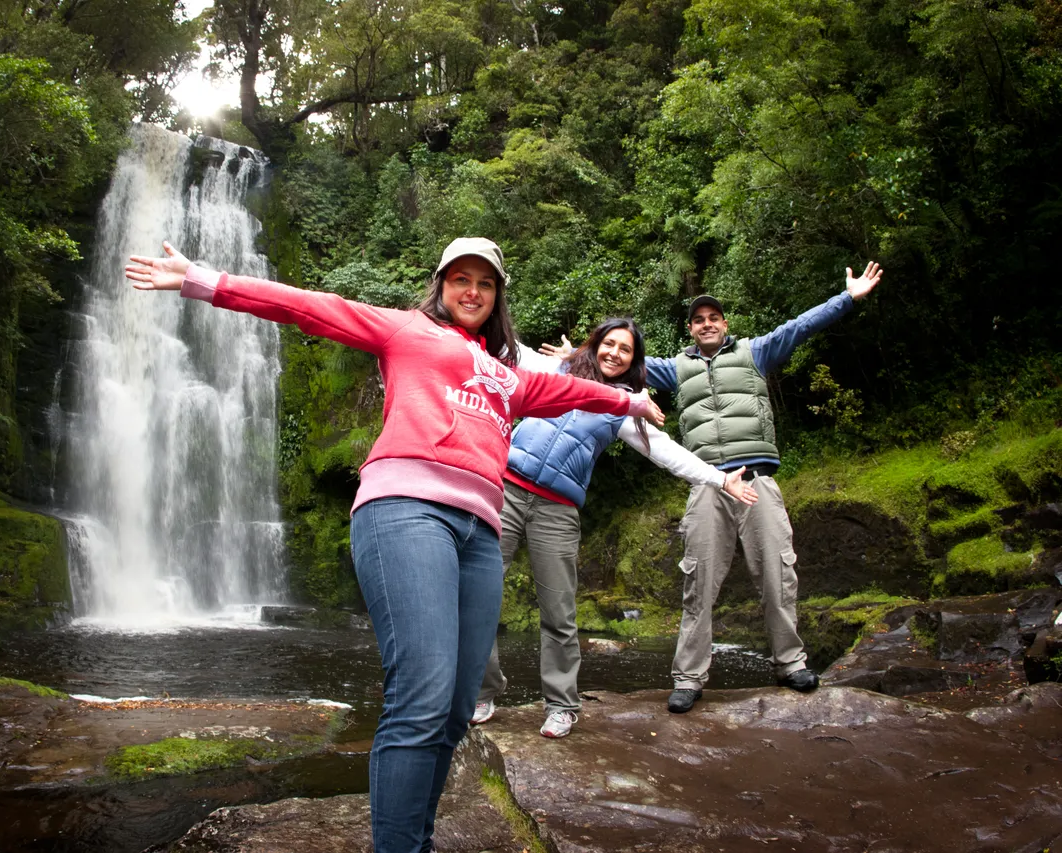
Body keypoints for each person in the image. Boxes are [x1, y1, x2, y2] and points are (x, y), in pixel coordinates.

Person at [125, 237, 664, 853]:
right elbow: (309, 306)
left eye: (485, 284)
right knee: (424, 694)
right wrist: (201, 279)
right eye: (460, 279)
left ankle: (415, 840)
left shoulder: (510, 378)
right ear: (441, 285)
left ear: (497, 297)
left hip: (481, 532)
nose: (472, 292)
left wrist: (630, 401)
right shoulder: (405, 330)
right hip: (407, 509)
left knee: (459, 706)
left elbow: (574, 392)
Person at [469, 318, 759, 739]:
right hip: (505, 492)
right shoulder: (558, 371)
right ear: (596, 344)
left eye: (625, 350)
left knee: (559, 611)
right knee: (479, 597)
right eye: (609, 344)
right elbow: (507, 348)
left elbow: (665, 451)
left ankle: (563, 705)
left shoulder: (623, 404)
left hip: (558, 508)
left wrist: (719, 478)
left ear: (632, 361)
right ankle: (482, 692)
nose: (614, 353)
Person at [639, 264, 883, 713]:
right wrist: (572, 355)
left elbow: (802, 326)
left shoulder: (757, 352)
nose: (706, 324)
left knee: (778, 573)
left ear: (725, 324)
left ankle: (790, 663)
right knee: (699, 582)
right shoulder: (674, 369)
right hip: (709, 485)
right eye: (698, 319)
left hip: (756, 482)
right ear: (690, 330)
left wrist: (848, 297)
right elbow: (617, 359)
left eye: (713, 317)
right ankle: (689, 678)